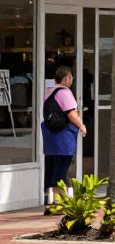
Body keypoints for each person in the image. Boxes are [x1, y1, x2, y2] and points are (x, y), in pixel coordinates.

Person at [41, 66, 86, 214]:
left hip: (50, 139)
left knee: (51, 170)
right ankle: (64, 205)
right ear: (66, 78)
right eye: (71, 77)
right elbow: (71, 114)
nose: (72, 80)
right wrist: (81, 126)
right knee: (61, 172)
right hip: (63, 139)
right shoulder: (65, 92)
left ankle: (49, 205)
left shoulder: (49, 91)